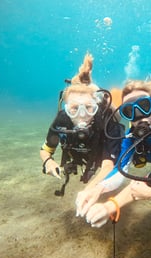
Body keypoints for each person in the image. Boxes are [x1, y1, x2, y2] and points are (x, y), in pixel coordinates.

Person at [75, 78, 151, 221]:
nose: (139, 115)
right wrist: (98, 189)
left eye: (144, 105)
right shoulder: (130, 139)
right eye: (129, 111)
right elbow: (119, 171)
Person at [40, 52, 123, 196]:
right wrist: (48, 162)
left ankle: (117, 96)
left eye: (89, 108)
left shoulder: (106, 121)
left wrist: (87, 191)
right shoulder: (62, 120)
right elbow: (45, 149)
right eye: (74, 109)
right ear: (66, 108)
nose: (82, 115)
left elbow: (108, 165)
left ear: (96, 107)